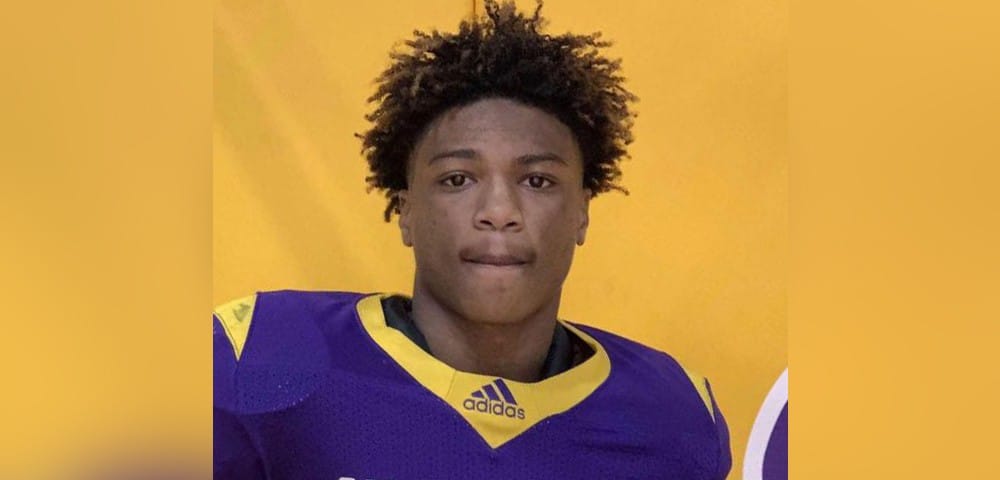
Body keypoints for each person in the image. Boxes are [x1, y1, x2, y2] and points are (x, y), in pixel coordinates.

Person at [213, 1, 731, 478]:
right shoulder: (258, 354)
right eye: (457, 179)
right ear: (406, 211)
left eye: (537, 181)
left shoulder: (673, 417)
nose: (499, 212)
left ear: (582, 212)